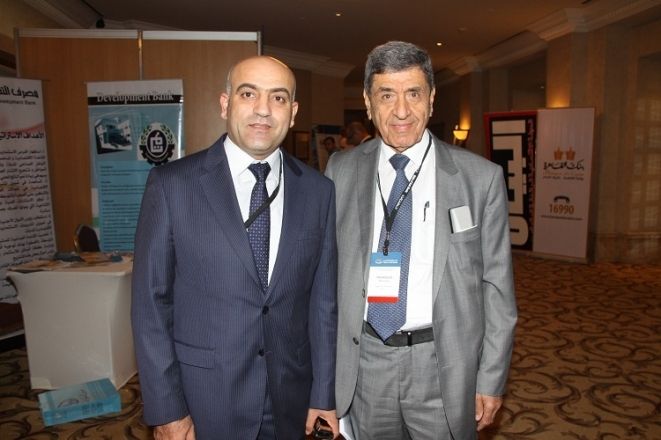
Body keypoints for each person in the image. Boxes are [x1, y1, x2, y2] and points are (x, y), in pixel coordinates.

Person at [132, 55, 339, 440]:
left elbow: (323, 304)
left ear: (293, 113)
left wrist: (323, 393)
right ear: (225, 104)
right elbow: (150, 308)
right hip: (204, 400)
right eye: (248, 94)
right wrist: (167, 411)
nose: (263, 109)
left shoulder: (319, 191)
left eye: (278, 98)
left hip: (290, 398)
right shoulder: (172, 186)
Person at [325, 41, 517, 439]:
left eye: (413, 93)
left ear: (431, 99)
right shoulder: (340, 171)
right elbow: (323, 279)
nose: (401, 111)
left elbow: (497, 289)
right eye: (386, 95)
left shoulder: (479, 179)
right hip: (365, 362)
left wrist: (491, 377)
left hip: (443, 365)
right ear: (368, 103)